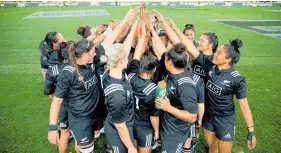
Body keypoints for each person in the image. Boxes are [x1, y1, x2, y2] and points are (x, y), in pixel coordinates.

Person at [182, 36, 257, 153]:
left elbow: (244, 106)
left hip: (225, 120)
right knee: (212, 147)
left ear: (228, 59)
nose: (215, 55)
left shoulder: (237, 79)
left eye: (219, 53)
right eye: (216, 52)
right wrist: (173, 27)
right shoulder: (209, 65)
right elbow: (190, 47)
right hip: (209, 117)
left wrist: (251, 130)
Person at [48, 38, 101, 153]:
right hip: (81, 119)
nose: (95, 53)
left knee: (84, 145)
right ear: (85, 54)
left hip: (94, 114)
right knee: (87, 150)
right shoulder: (68, 73)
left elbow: (102, 40)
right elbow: (56, 101)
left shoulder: (89, 62)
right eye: (93, 52)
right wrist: (52, 127)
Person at [155, 43, 198, 153]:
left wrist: (168, 108)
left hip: (176, 132)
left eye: (165, 59)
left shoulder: (186, 86)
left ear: (169, 63)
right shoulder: (171, 73)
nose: (163, 60)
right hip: (168, 126)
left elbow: (192, 117)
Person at [44, 40, 74, 153]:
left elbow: (47, 90)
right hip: (79, 106)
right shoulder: (78, 68)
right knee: (79, 136)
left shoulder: (53, 70)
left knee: (65, 134)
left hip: (62, 106)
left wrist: (55, 96)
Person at [128, 54, 159, 153]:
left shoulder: (130, 77)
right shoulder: (154, 90)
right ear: (154, 69)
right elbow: (154, 116)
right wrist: (157, 130)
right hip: (144, 127)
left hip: (130, 122)